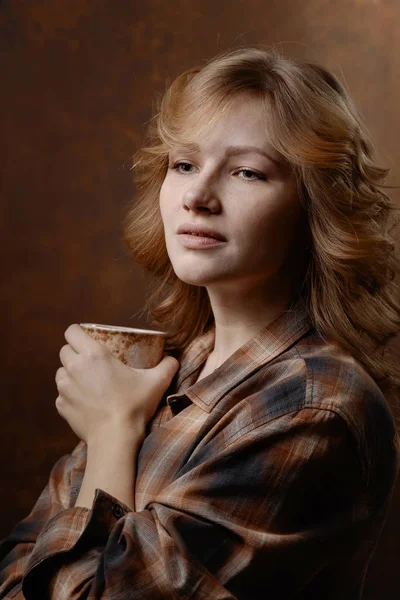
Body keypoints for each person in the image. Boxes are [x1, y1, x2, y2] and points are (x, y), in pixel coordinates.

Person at [1, 46, 400, 600]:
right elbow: (17, 573)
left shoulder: (314, 406)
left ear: (314, 206)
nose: (197, 197)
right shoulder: (167, 368)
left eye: (247, 172)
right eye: (184, 164)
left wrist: (112, 431)